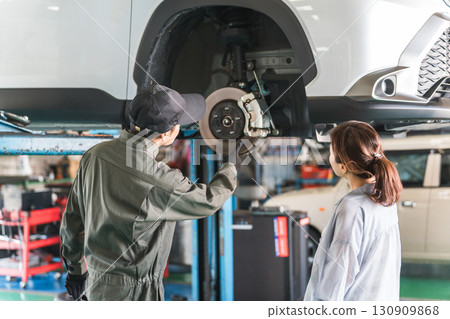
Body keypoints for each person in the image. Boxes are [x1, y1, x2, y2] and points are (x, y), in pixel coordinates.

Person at [60, 84, 239, 301]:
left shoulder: (94, 156)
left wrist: (75, 270)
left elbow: (73, 220)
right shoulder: (160, 179)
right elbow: (210, 200)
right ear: (167, 134)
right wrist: (231, 163)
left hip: (97, 284)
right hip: (134, 294)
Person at [304, 120, 403, 301]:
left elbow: (338, 274)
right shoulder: (384, 197)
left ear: (344, 166)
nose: (329, 156)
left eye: (332, 152)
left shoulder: (352, 207)